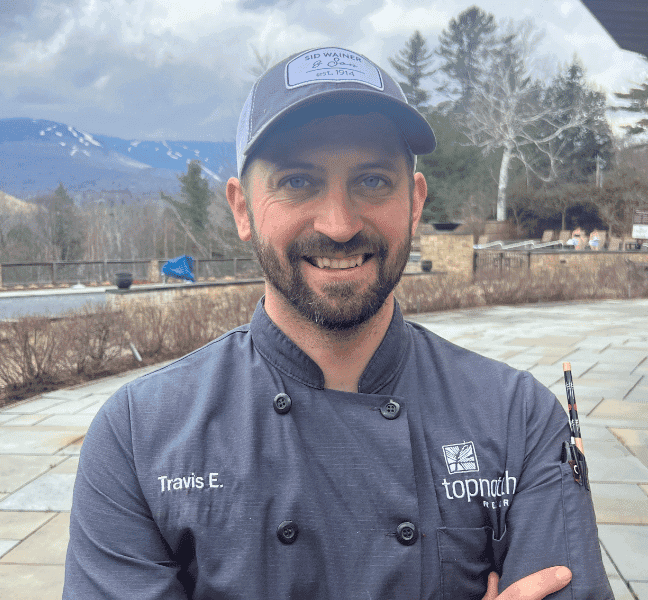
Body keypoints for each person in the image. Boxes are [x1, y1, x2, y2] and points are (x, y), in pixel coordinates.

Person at [64, 46, 612, 600]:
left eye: (373, 181)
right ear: (241, 208)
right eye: (298, 182)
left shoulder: (519, 420)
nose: (340, 224)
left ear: (415, 204)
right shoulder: (139, 437)